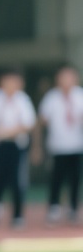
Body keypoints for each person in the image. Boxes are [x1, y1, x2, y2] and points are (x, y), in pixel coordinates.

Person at [0, 69, 35, 228]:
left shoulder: (23, 99)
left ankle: (17, 216)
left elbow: (26, 125)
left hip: (16, 147)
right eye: (7, 81)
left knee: (18, 182)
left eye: (14, 81)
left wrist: (2, 133)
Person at [35, 64, 83, 224]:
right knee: (56, 178)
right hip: (57, 146)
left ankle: (73, 209)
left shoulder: (80, 96)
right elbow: (41, 122)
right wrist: (37, 146)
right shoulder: (51, 97)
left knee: (75, 179)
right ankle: (54, 208)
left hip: (77, 145)